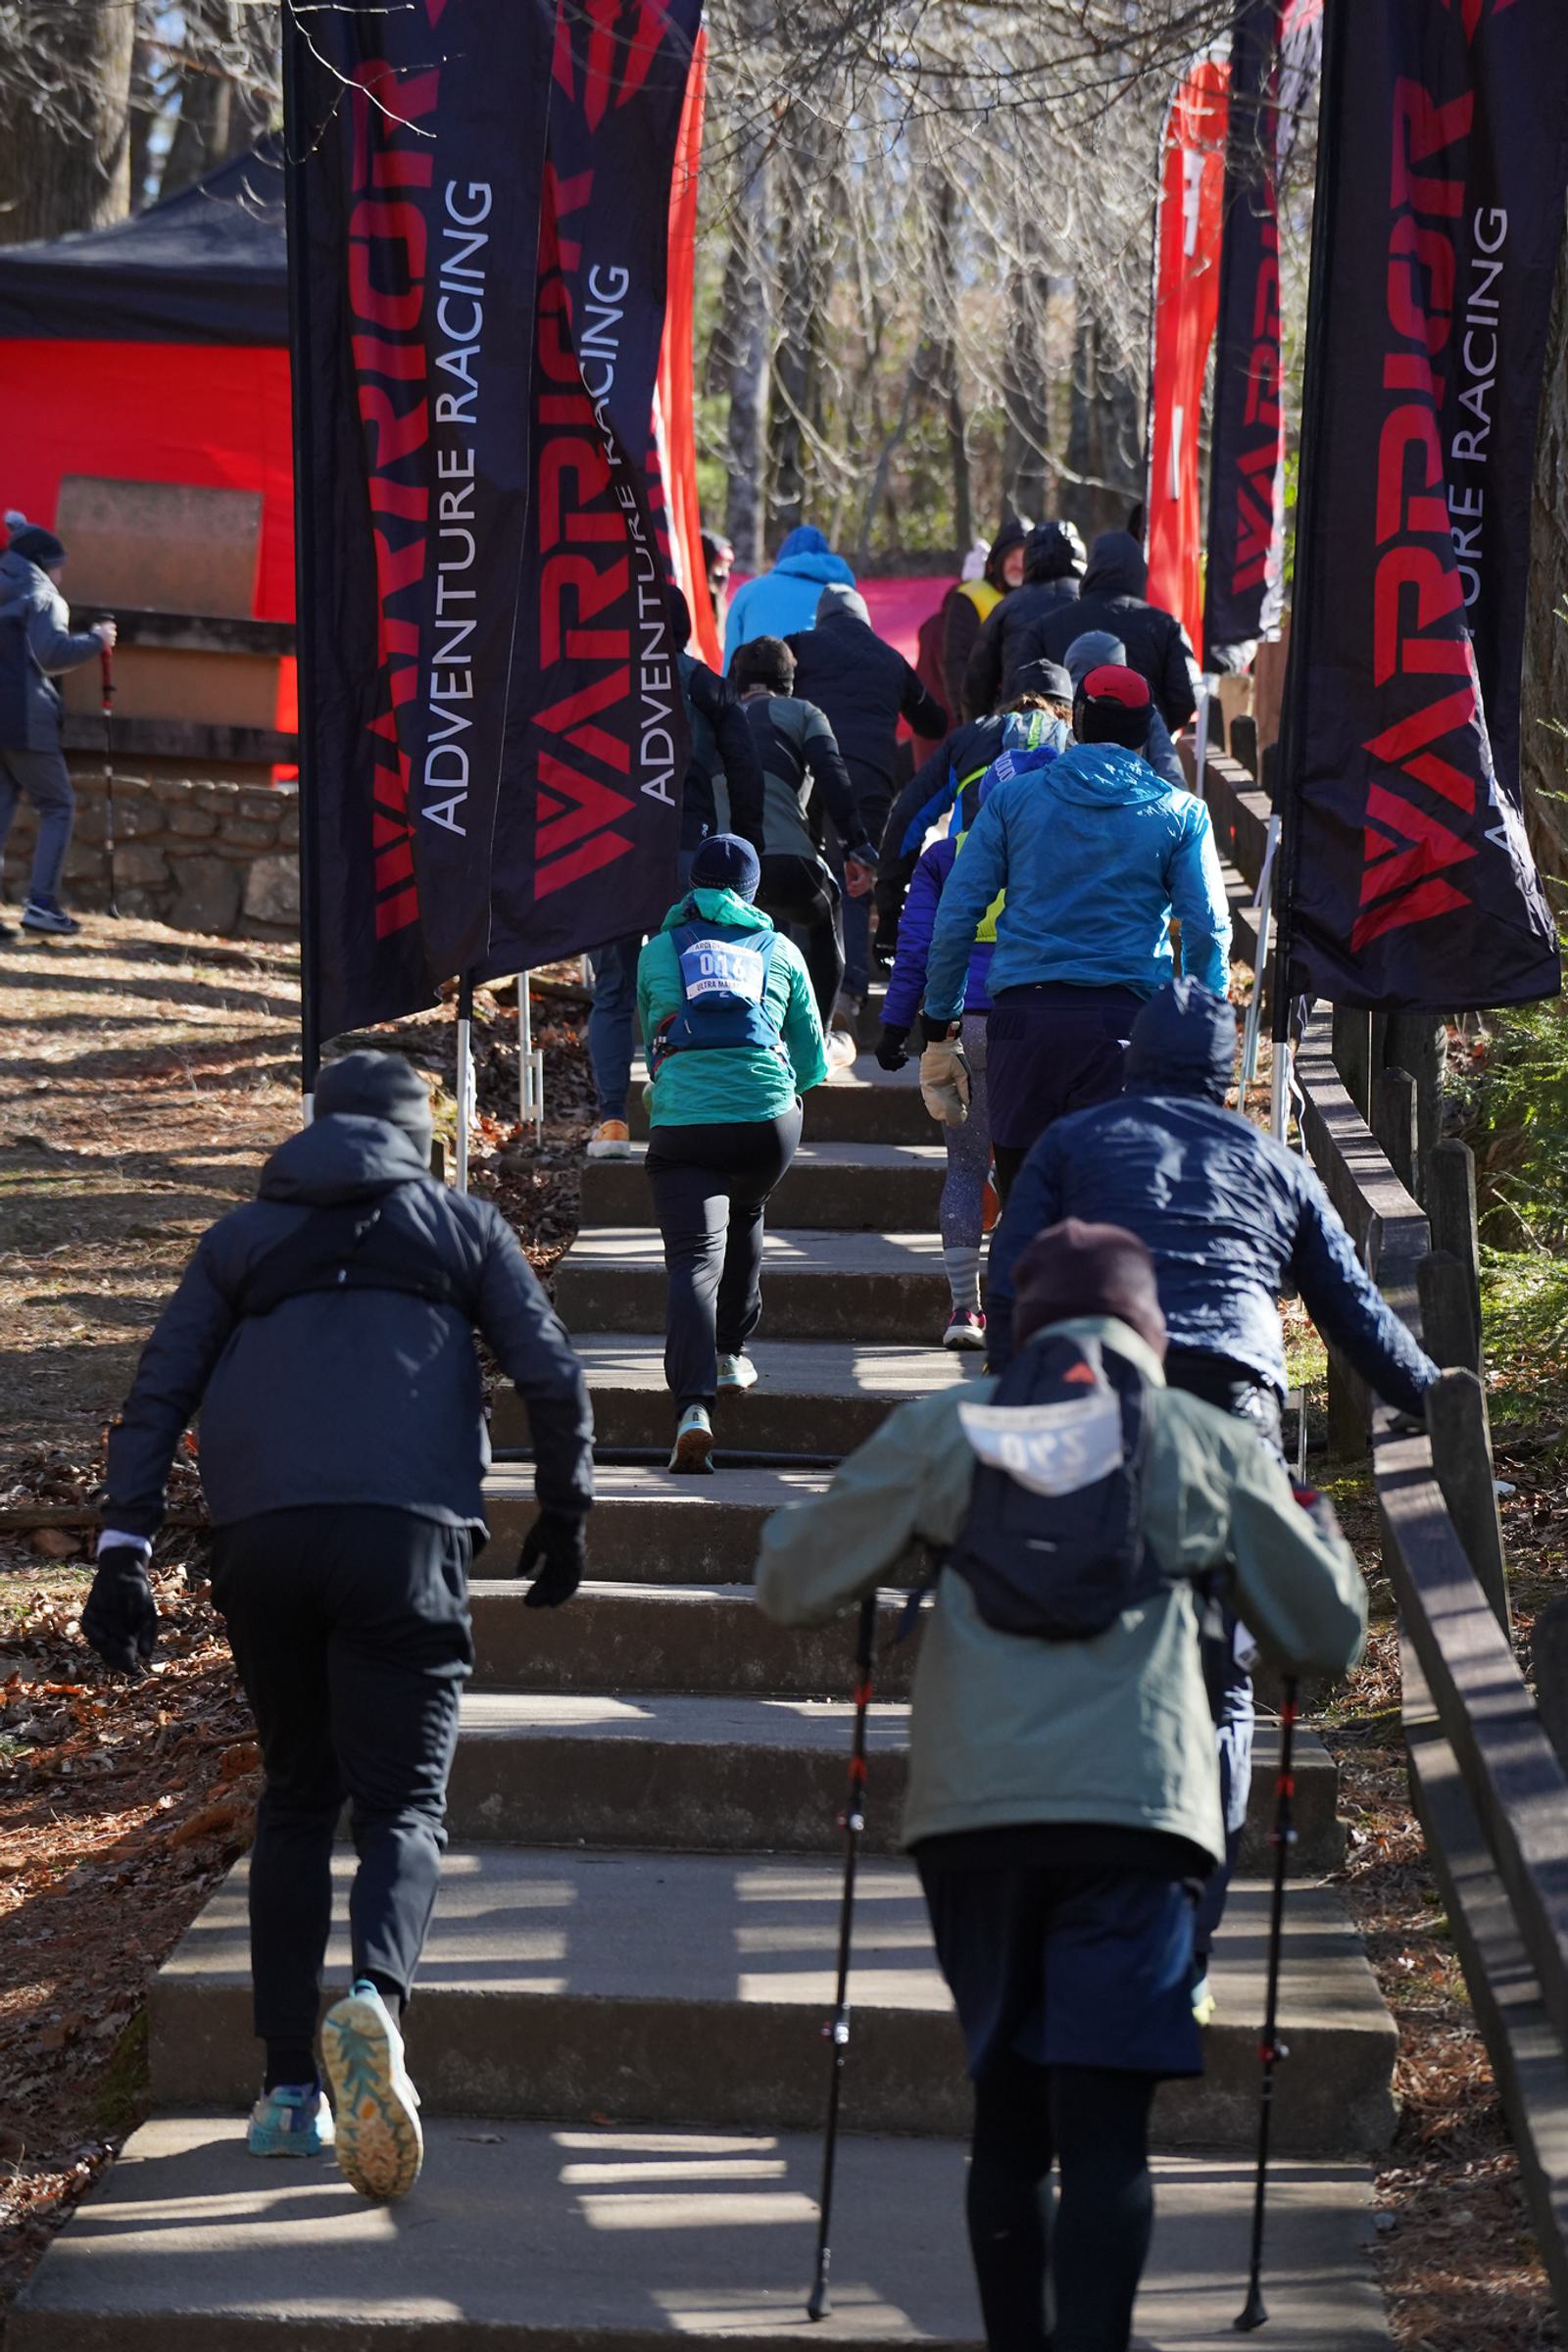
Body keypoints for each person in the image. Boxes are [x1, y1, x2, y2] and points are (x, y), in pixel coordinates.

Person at [756, 1217, 1366, 2352]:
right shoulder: (1200, 1441)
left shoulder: (949, 1428)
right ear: (1149, 1328)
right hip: (1140, 1817)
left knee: (1008, 2126)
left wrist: (897, 1536)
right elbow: (1322, 1632)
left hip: (975, 1821)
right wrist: (1309, 1532)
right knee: (1105, 2142)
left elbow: (790, 1577)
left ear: (1025, 1325)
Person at [80, 1051, 594, 2202]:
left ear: (311, 1128)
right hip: (407, 1539)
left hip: (262, 1541)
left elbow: (160, 1386)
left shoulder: (241, 1240)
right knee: (403, 1802)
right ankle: (373, 2002)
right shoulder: (460, 1227)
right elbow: (550, 1376)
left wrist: (123, 1552)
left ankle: (282, 2094)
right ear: (419, 1130)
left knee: (298, 1798)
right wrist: (561, 1514)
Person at [982, 980, 1440, 1986]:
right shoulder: (1271, 1163)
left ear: (1130, 1056)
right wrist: (1433, 1395)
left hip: (1093, 1399)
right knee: (1221, 1679)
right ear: (1224, 1070)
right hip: (1231, 1417)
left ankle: (1074, 1899)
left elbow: (1007, 1274)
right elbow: (1352, 1310)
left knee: (1074, 1638)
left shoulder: (1072, 1143)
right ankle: (1187, 1933)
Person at [919, 665, 1230, 1202]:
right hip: (1126, 1030)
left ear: (1077, 722)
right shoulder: (1181, 813)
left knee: (1025, 1222)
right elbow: (1206, 929)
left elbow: (956, 915)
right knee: (1113, 1218)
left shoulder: (1013, 801)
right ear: (1145, 729)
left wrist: (940, 1021)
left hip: (1024, 1029)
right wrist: (1203, 1033)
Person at [637, 833, 828, 1473]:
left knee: (693, 1259)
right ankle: (731, 1353)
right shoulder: (783, 951)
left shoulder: (658, 951)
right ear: (752, 892)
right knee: (746, 1208)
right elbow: (811, 1061)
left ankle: (693, 1407)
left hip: (685, 1124)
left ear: (692, 884)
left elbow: (653, 1047)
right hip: (765, 1124)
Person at [585, 586, 765, 1161]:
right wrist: (747, 847)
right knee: (699, 981)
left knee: (613, 990)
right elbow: (744, 766)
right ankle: (688, 1108)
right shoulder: (708, 684)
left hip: (613, 858)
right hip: (692, 853)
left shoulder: (601, 684)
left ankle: (613, 1119)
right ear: (686, 627)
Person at [876, 761, 1016, 1350]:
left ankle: (965, 1312)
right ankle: (1026, 1311)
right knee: (1031, 1170)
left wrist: (893, 1024)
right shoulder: (1056, 849)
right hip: (1038, 1024)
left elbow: (916, 948)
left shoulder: (944, 856)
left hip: (961, 1026)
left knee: (962, 1167)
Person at [787, 584, 948, 1024]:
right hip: (870, 780)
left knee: (804, 879)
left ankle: (798, 990)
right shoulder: (889, 658)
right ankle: (850, 994)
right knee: (855, 882)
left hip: (807, 775)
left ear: (822, 619)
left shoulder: (799, 647)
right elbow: (933, 721)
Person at [873, 661, 1073, 963]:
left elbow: (907, 818)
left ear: (1007, 702)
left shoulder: (970, 737)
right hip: (1057, 921)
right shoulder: (1080, 742)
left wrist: (889, 913)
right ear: (1068, 710)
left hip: (971, 917)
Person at [729, 634, 877, 1033]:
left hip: (720, 869)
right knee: (825, 915)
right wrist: (857, 846)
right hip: (787, 862)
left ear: (738, 680)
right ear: (788, 682)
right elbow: (833, 775)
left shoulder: (718, 715)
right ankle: (816, 1041)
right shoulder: (804, 712)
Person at [0, 512, 116, 939]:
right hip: (26, 718)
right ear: (44, 563)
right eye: (59, 564)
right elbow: (51, 655)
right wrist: (97, 640)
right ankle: (42, 904)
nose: (63, 573)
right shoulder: (42, 594)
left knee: (3, 803)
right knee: (57, 805)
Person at [1014, 528, 1198, 732]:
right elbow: (1186, 695)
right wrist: (1153, 728)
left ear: (1091, 569)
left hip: (1063, 743)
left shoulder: (1046, 626)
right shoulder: (1166, 626)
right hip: (1142, 749)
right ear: (1140, 572)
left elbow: (1022, 688)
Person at [960, 520, 1086, 721]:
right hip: (1082, 722)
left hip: (1020, 721)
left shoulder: (1007, 607)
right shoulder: (1091, 601)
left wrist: (975, 732)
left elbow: (977, 681)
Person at [1064, 629, 1184, 790]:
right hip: (1139, 801)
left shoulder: (1058, 703)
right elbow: (1169, 767)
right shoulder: (1141, 705)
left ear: (1070, 662)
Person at [722, 523, 856, 663]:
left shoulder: (748, 591)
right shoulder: (844, 598)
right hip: (821, 682)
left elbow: (730, 664)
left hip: (755, 682)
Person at [942, 519, 1029, 721]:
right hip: (987, 716)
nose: (1017, 564)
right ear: (997, 561)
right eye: (1011, 556)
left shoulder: (1041, 597)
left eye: (1024, 557)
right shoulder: (971, 597)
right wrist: (966, 717)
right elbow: (956, 662)